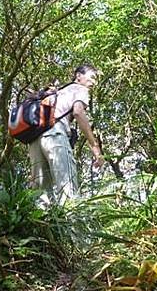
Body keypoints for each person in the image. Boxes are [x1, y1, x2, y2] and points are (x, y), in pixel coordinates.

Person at [28, 64, 104, 204]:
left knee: (41, 196)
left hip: (34, 139)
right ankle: (72, 225)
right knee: (67, 189)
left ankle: (44, 226)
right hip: (55, 135)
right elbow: (78, 112)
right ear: (79, 76)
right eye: (92, 77)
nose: (94, 82)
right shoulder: (80, 89)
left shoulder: (57, 93)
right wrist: (95, 147)